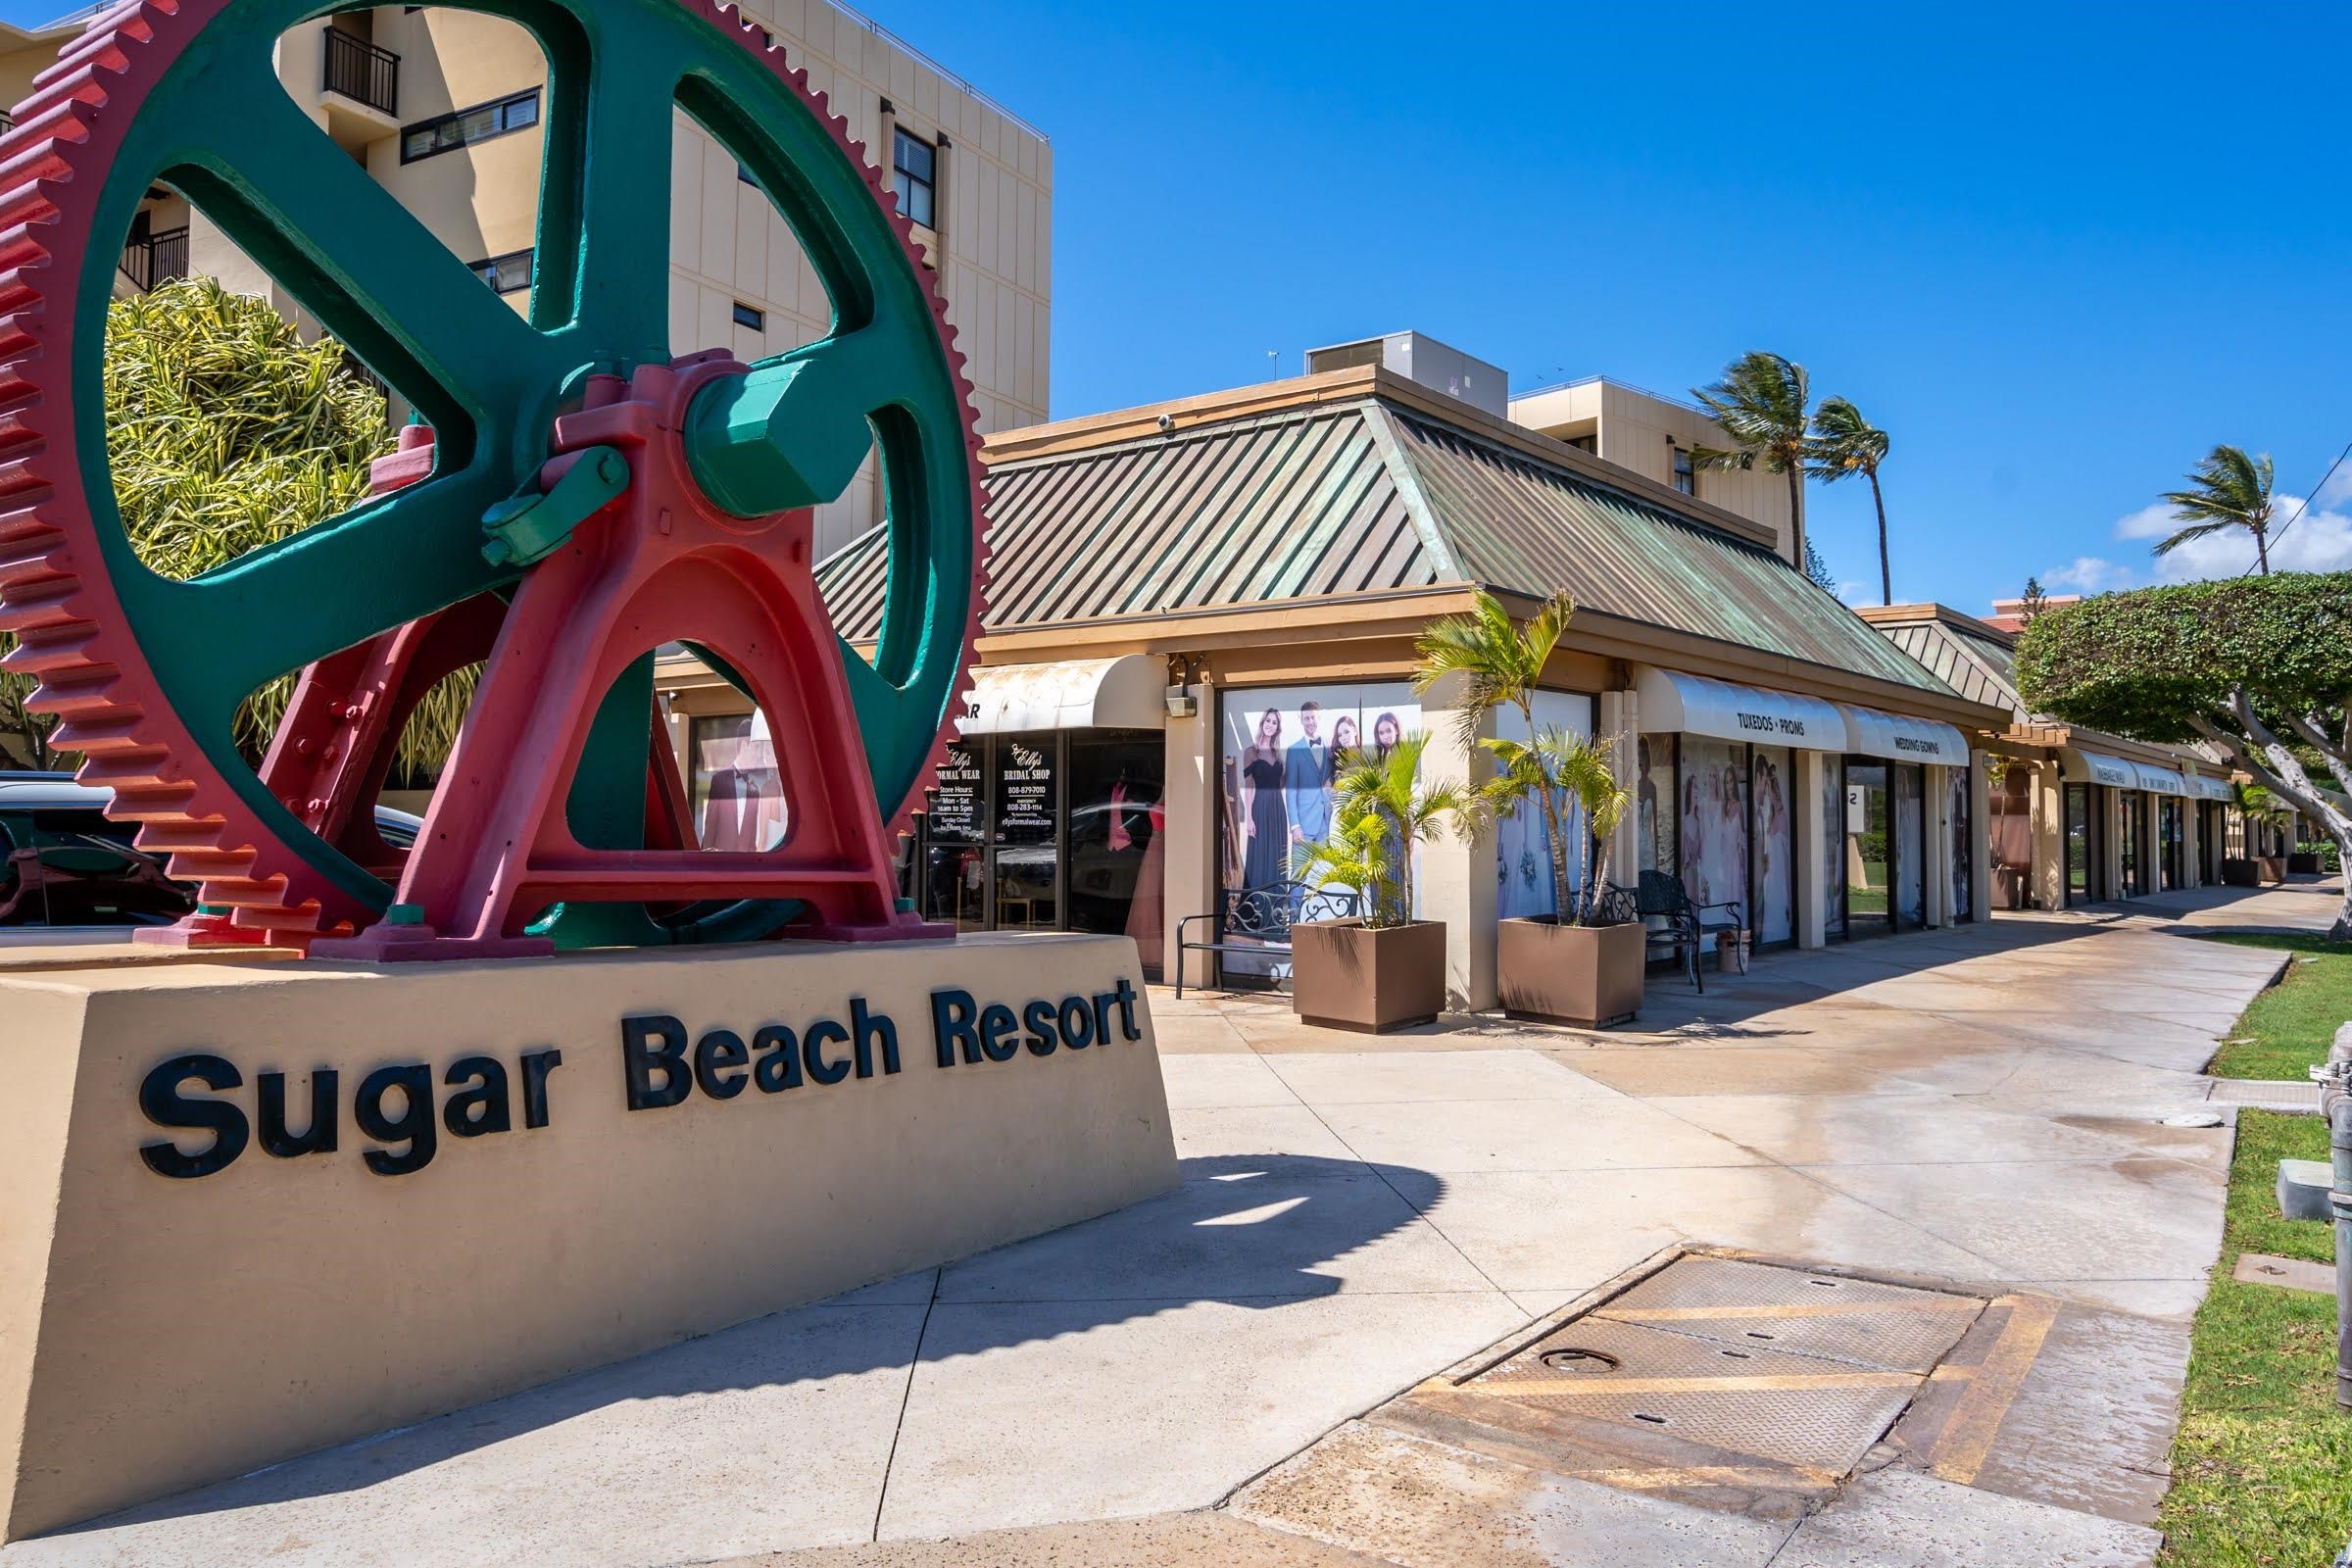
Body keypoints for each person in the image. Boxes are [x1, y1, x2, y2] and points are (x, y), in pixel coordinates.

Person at [1237, 708, 1289, 891]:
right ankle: (1256, 910)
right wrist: (1249, 818)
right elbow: (1249, 786)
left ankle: (1275, 908)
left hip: (1278, 810)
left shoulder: (1279, 755)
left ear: (1277, 728)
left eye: (1274, 722)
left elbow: (1282, 785)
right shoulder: (1251, 752)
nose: (1270, 725)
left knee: (1277, 856)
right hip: (1259, 807)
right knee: (1259, 855)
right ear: (1262, 723)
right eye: (1268, 721)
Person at [1284, 702, 1333, 855]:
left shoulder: (1329, 747)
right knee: (1300, 876)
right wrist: (1294, 825)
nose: (1310, 722)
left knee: (1325, 874)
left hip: (1326, 824)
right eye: (1306, 718)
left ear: (1319, 717)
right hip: (1303, 827)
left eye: (1313, 717)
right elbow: (1290, 791)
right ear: (1301, 721)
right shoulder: (1294, 750)